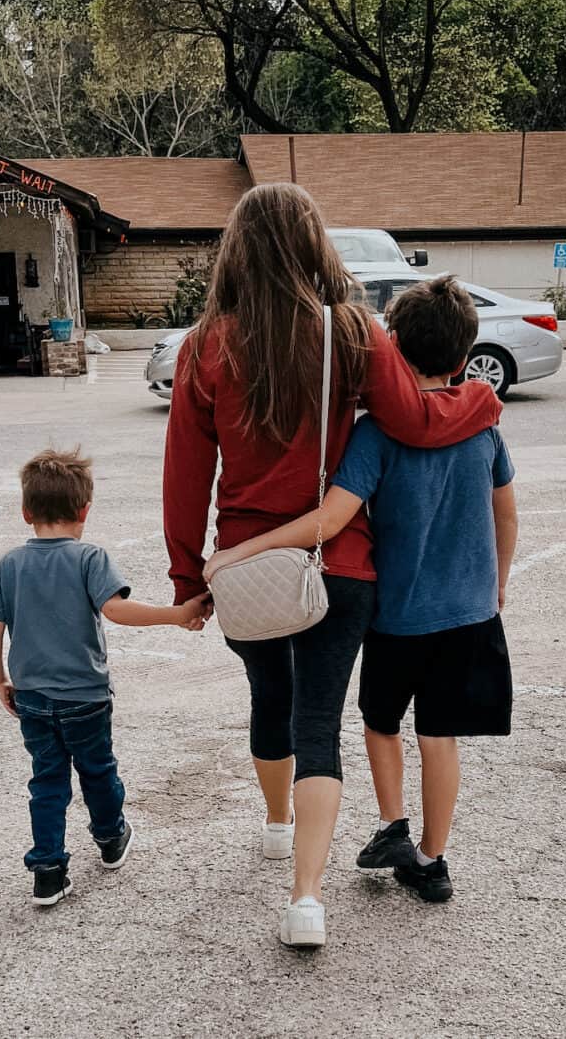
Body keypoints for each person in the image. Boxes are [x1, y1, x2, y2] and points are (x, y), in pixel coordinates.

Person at [164, 184, 502, 949]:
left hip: (247, 572)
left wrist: (191, 579)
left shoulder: (204, 345)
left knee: (267, 695)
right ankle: (306, 899)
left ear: (237, 251)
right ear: (317, 244)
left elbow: (184, 476)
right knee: (320, 721)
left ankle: (278, 824)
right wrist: (481, 397)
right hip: (337, 565)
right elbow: (415, 420)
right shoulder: (350, 330)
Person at [206, 273, 517, 906]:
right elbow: (505, 512)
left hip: (398, 615)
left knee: (380, 723)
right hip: (470, 613)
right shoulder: (486, 428)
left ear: (392, 349)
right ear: (464, 357)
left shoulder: (378, 434)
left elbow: (328, 520)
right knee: (441, 734)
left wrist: (242, 550)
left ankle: (390, 825)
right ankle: (433, 859)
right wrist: (499, 583)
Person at [0, 446, 211, 907]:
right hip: (85, 695)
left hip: (32, 696)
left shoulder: (8, 565)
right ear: (85, 509)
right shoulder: (89, 558)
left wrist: (0, 679)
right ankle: (109, 839)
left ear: (26, 513)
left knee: (46, 781)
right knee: (97, 769)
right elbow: (117, 609)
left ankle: (47, 869)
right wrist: (177, 614)